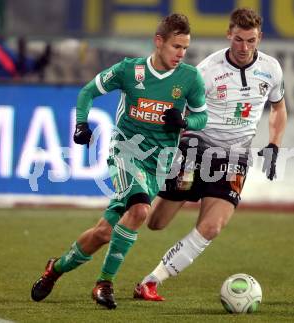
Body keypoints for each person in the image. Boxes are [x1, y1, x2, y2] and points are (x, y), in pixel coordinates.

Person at [30, 13, 207, 309]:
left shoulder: (190, 78)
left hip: (159, 164)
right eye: (176, 46)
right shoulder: (130, 70)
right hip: (126, 151)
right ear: (159, 42)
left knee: (104, 232)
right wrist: (81, 124)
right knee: (139, 211)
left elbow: (203, 116)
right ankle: (104, 283)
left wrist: (186, 119)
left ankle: (55, 269)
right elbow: (88, 91)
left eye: (185, 48)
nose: (181, 54)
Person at [133, 7, 287, 301]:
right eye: (239, 40)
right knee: (155, 223)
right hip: (195, 149)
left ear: (260, 38)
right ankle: (155, 202)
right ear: (229, 34)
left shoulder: (272, 69)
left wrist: (274, 144)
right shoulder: (206, 70)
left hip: (235, 157)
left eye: (251, 41)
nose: (244, 48)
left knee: (212, 227)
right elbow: (179, 106)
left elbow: (278, 108)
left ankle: (152, 281)